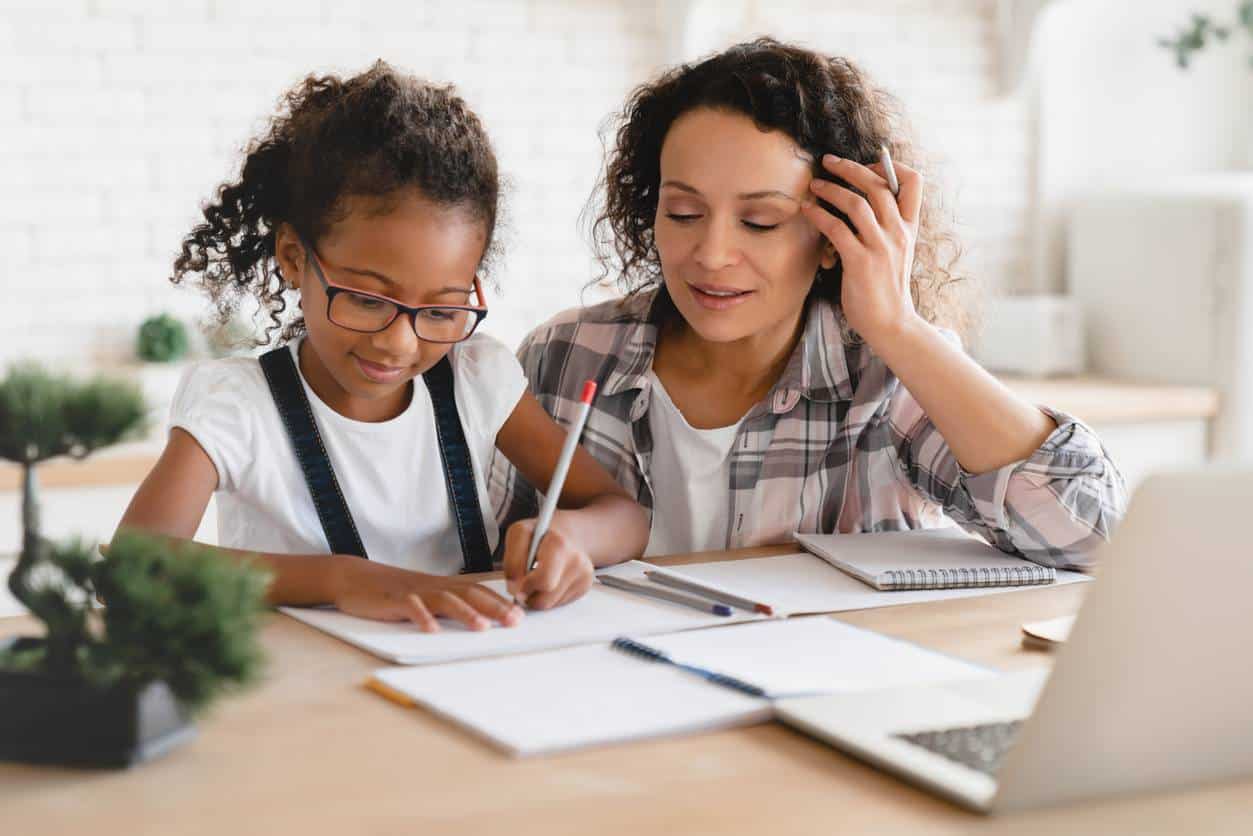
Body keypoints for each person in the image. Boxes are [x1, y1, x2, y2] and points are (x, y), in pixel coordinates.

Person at [492, 39, 1125, 568]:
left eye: (760, 222)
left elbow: (1092, 535)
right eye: (683, 212)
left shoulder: (886, 378)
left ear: (833, 235)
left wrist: (898, 325)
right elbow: (477, 559)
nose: (711, 255)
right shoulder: (565, 357)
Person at [116, 62, 648, 632]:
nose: (399, 342)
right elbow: (133, 568)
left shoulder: (477, 378)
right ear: (294, 258)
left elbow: (626, 516)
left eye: (442, 310)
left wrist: (572, 537)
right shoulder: (238, 405)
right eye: (368, 300)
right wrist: (341, 580)